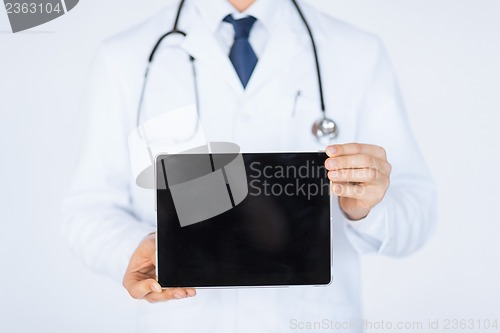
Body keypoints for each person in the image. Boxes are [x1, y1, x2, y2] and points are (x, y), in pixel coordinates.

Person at [62, 0, 437, 332]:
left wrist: (366, 210)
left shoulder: (357, 52)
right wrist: (140, 248)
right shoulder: (126, 57)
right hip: (186, 321)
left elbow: (417, 213)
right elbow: (89, 209)